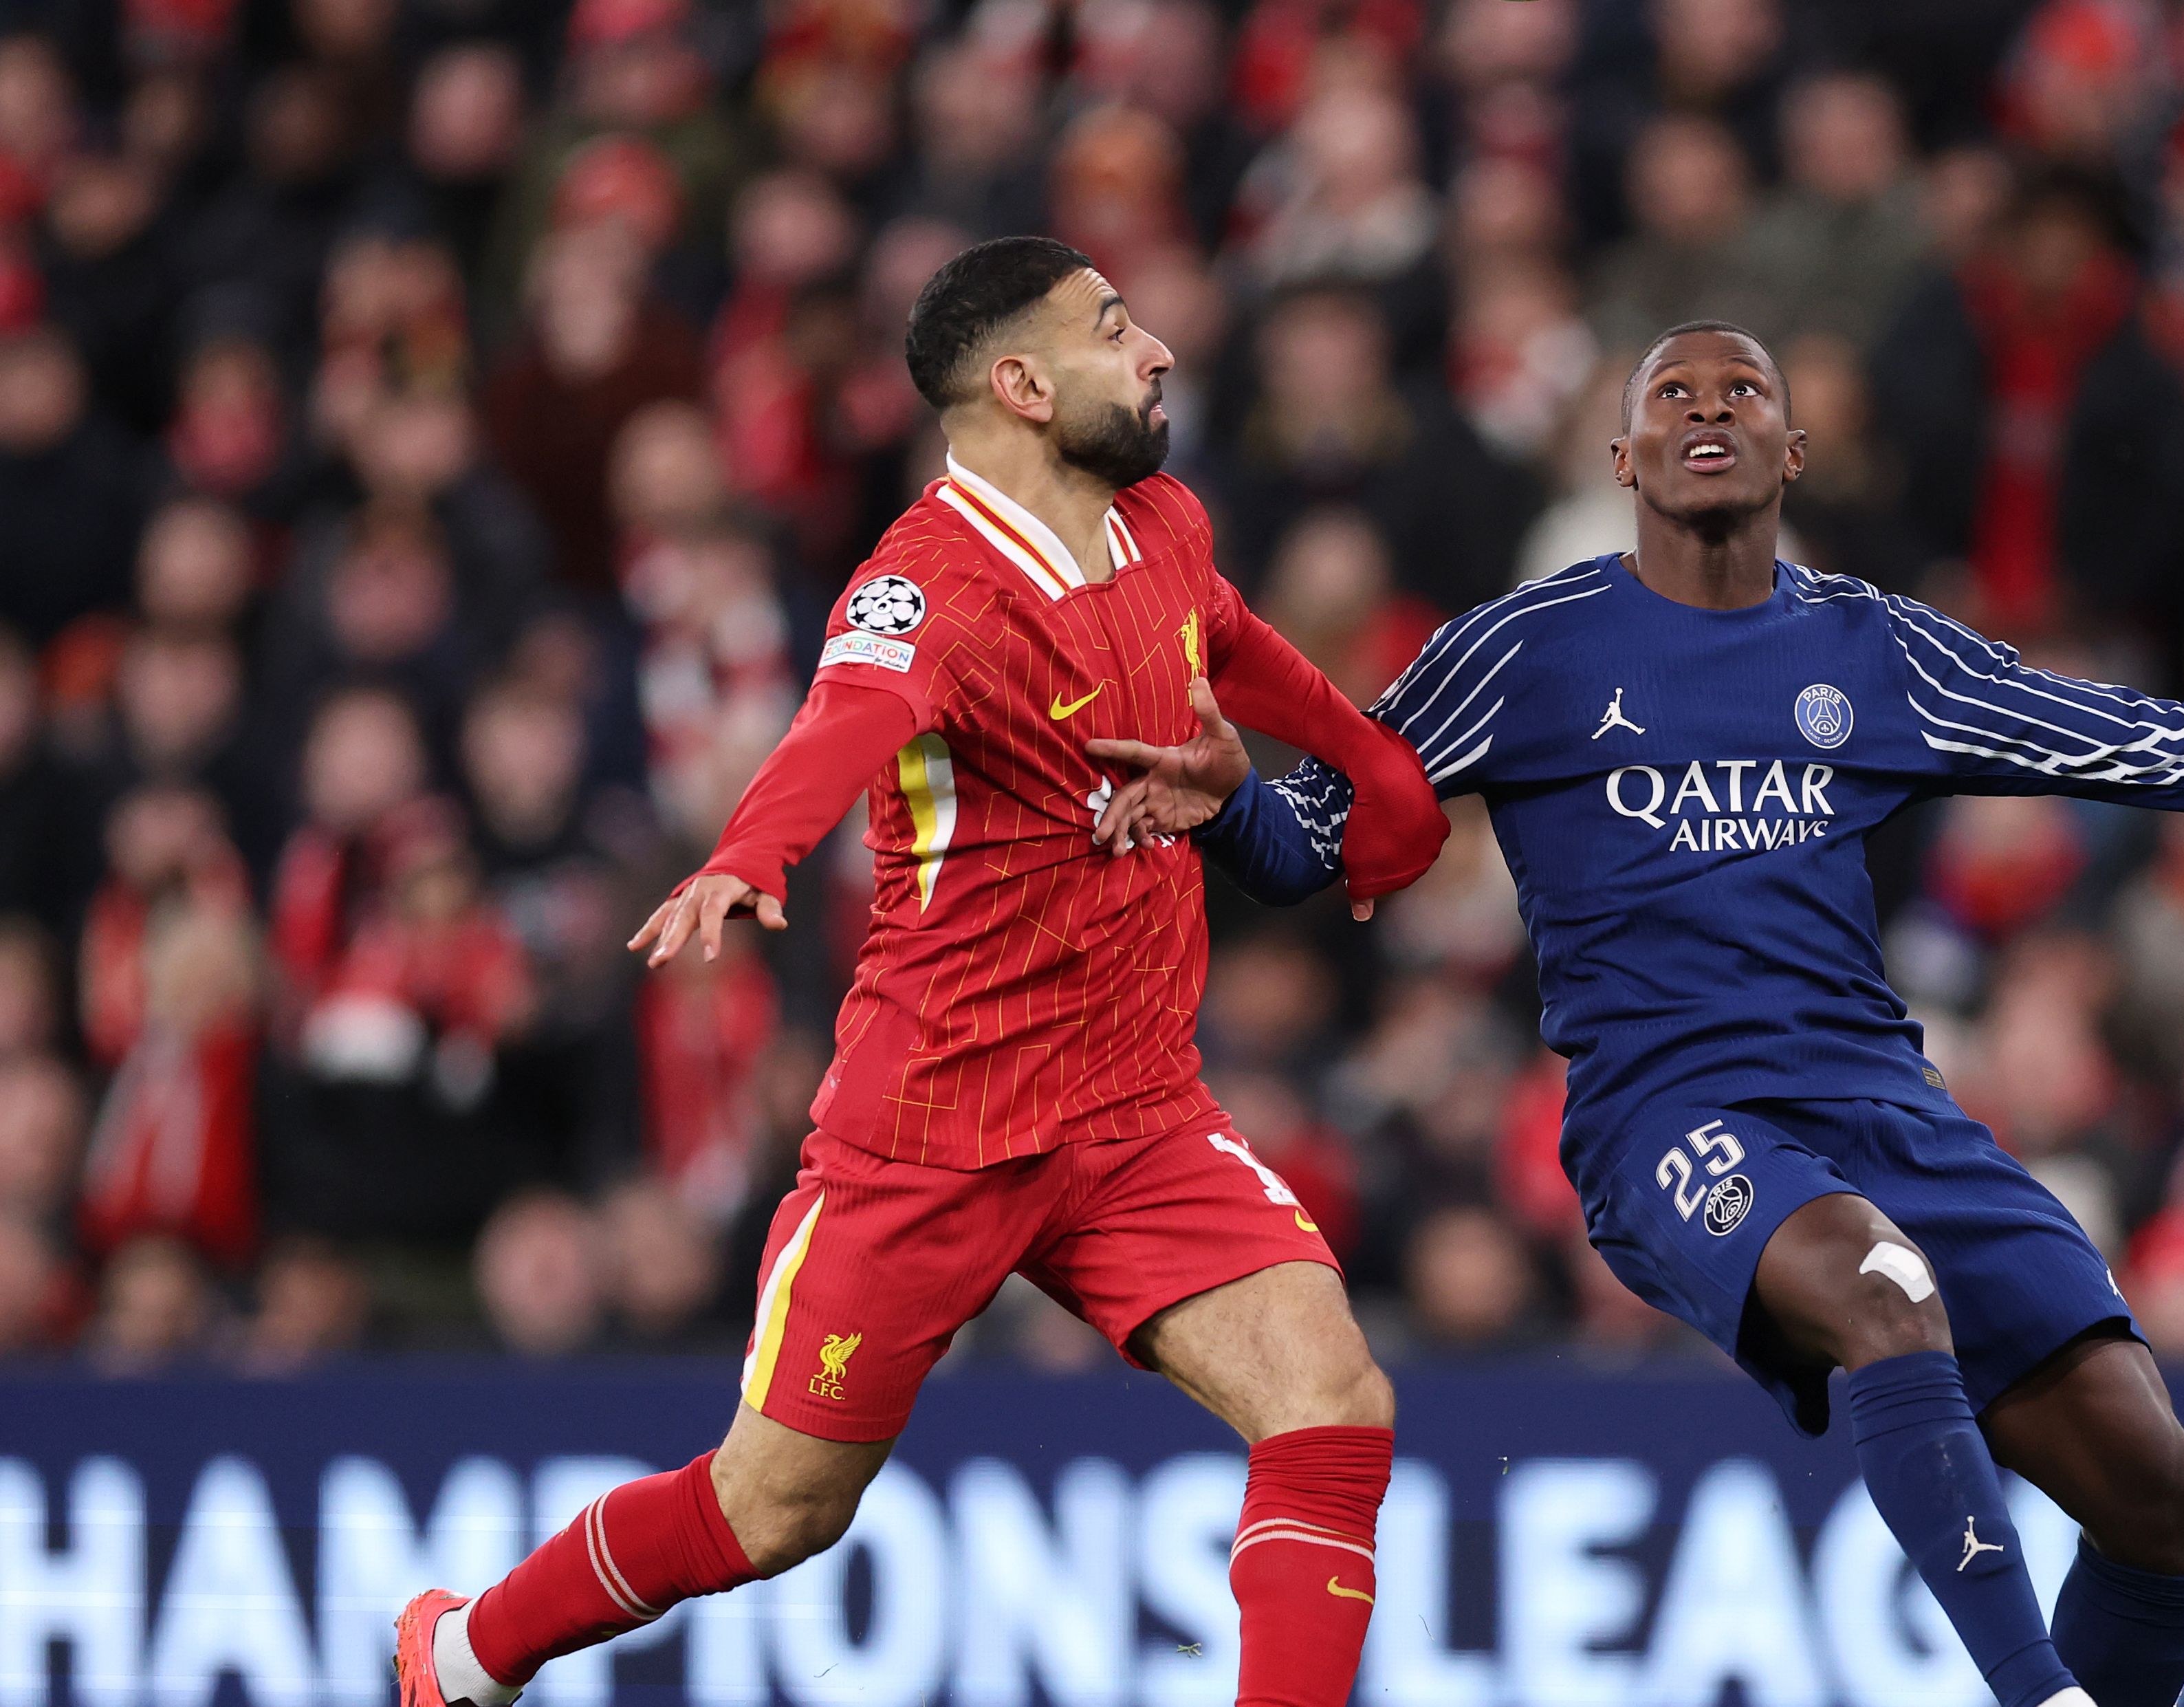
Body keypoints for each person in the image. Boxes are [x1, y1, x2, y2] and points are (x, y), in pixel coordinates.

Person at [1097, 321, 2184, 1707]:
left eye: (1743, 390)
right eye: (1673, 396)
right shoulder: (1527, 649)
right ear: (1620, 457)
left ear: (1792, 449)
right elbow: (1319, 835)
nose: (1711, 409)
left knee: (2166, 1493)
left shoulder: (1877, 652)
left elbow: (2153, 746)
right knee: (1883, 1292)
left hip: (1882, 1101)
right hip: (1668, 1114)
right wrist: (1227, 806)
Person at [392, 237, 1448, 1707]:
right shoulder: (926, 583)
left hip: (1136, 1107)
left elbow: (1244, 649)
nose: (1153, 353)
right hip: (932, 1129)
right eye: (1113, 328)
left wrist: (1371, 768)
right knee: (773, 1509)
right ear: (1020, 384)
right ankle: (462, 1650)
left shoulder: (1163, 519)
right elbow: (844, 717)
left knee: (1332, 1400)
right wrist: (747, 851)